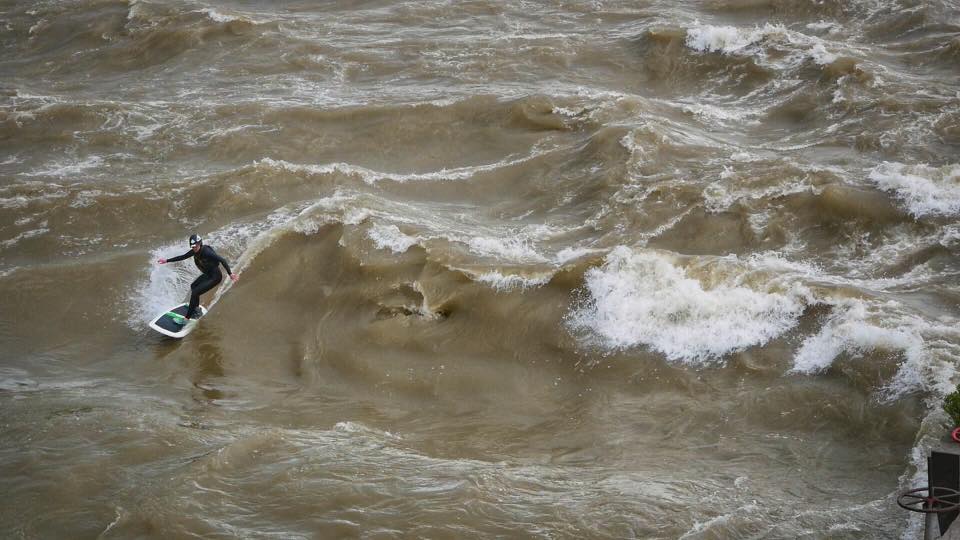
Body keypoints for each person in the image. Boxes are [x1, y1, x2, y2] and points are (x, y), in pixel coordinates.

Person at [157, 234, 238, 321]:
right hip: (208, 275)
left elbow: (222, 260)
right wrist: (166, 260)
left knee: (195, 292)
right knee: (193, 286)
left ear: (200, 244)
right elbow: (182, 257)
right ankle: (196, 309)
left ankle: (186, 319)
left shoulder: (207, 252)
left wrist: (230, 274)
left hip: (215, 277)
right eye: (192, 246)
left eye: (196, 246)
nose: (194, 248)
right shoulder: (194, 251)